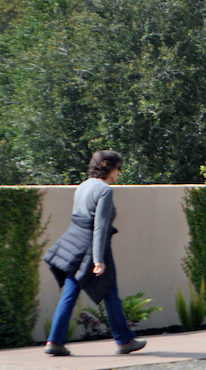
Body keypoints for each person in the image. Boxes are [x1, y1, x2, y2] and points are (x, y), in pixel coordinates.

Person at [42, 150, 146, 356]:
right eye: (119, 168)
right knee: (104, 290)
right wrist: (98, 259)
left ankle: (55, 340)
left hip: (73, 242)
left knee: (78, 291)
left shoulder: (83, 186)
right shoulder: (105, 190)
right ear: (110, 167)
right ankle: (124, 341)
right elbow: (99, 226)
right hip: (92, 248)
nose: (119, 172)